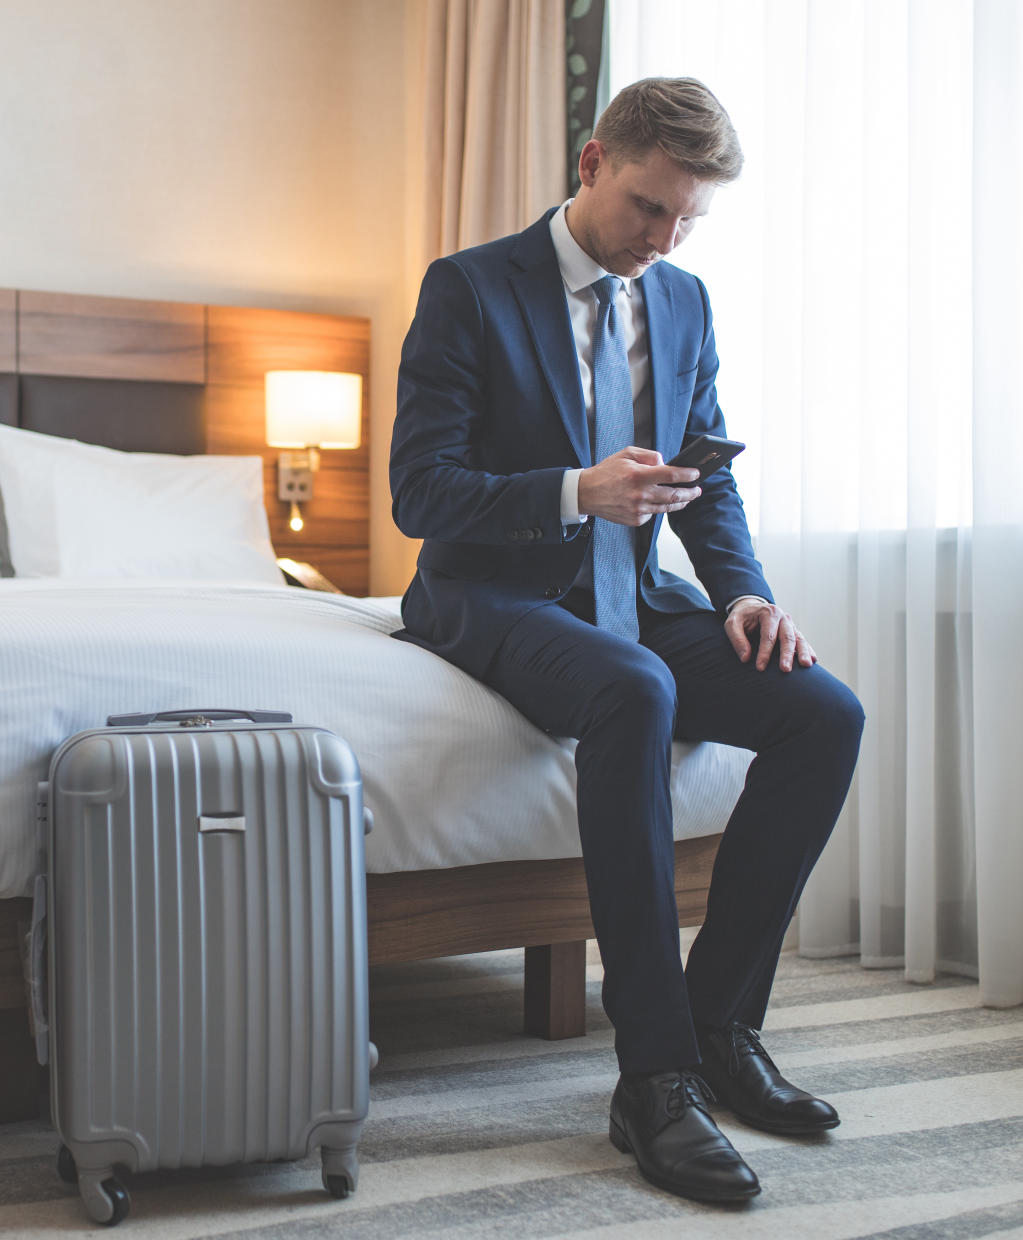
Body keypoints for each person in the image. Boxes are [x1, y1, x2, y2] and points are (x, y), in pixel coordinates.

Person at [389, 76, 865, 1204]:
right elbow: (419, 492)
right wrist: (570, 491)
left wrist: (744, 593)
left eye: (690, 217)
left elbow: (701, 480)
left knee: (823, 711)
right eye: (651, 206)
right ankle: (652, 1079)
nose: (666, 237)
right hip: (493, 593)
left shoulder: (687, 299)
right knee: (635, 691)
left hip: (633, 590)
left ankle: (720, 1029)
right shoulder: (468, 289)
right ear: (594, 160)